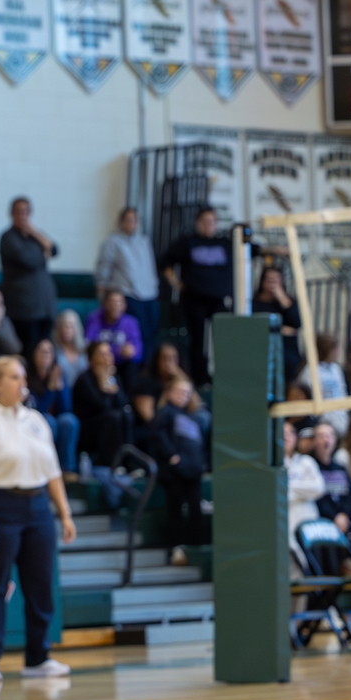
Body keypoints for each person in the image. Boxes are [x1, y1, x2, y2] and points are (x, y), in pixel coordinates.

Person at [0, 355, 77, 683]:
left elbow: (53, 472)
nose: (20, 382)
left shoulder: (37, 421)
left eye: (22, 376)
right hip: (0, 506)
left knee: (41, 585)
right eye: (13, 377)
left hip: (38, 506)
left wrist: (64, 514)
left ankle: (38, 657)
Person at [160, 207, 231, 388]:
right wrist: (175, 282)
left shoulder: (224, 243)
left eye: (212, 221)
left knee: (224, 339)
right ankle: (200, 379)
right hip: (194, 298)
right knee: (197, 341)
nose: (209, 225)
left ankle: (224, 378)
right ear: (198, 223)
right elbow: (165, 261)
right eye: (205, 221)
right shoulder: (187, 242)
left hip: (218, 299)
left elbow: (251, 249)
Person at [148, 379, 207, 554]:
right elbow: (157, 435)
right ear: (170, 392)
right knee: (175, 511)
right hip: (174, 473)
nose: (184, 396)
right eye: (180, 392)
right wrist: (172, 456)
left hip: (193, 471)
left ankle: (195, 549)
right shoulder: (164, 412)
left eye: (187, 393)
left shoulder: (193, 416)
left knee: (196, 510)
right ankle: (175, 549)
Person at [96, 207, 160, 357]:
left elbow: (150, 266)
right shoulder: (113, 242)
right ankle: (141, 368)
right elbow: (104, 266)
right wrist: (102, 287)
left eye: (135, 220)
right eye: (129, 220)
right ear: (122, 222)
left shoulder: (143, 241)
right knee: (140, 332)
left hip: (149, 293)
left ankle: (151, 368)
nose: (132, 223)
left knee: (153, 331)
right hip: (128, 293)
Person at [0, 197, 59, 353]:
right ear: (11, 214)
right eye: (18, 212)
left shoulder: (34, 235)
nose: (22, 216)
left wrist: (36, 234)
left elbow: (54, 249)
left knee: (45, 349)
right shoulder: (7, 237)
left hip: (44, 305)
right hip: (23, 308)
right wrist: (44, 251)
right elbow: (28, 260)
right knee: (29, 350)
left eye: (25, 212)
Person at [72, 340, 129, 468]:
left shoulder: (114, 377)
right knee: (112, 417)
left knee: (126, 416)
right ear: (92, 358)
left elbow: (123, 404)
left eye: (109, 353)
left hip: (108, 423)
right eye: (102, 354)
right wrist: (105, 387)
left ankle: (128, 461)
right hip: (87, 428)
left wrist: (110, 384)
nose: (107, 357)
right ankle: (112, 465)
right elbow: (102, 407)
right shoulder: (84, 379)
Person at [25, 339, 78, 472]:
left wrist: (59, 388)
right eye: (42, 351)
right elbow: (37, 410)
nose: (46, 355)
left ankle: (67, 469)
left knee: (69, 421)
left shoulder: (57, 375)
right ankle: (47, 467)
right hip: (33, 418)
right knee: (48, 421)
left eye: (49, 352)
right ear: (34, 354)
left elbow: (66, 409)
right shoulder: (26, 377)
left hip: (56, 418)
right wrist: (50, 389)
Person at [251, 266, 302, 382]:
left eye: (276, 280)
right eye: (269, 280)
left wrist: (281, 297)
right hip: (261, 346)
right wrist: (279, 329)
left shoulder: (288, 302)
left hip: (285, 350)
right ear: (262, 281)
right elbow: (253, 326)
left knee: (289, 361)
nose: (272, 284)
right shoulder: (254, 303)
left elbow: (296, 324)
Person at [283, 420, 325, 560]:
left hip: (309, 523)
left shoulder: (306, 461)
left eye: (290, 433)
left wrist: (290, 485)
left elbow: (319, 488)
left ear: (296, 438)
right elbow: (276, 493)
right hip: (285, 523)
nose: (286, 436)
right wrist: (303, 491)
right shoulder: (272, 466)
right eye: (282, 433)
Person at [311, 422, 351, 535]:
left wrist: (343, 514)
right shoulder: (310, 465)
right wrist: (334, 517)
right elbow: (316, 497)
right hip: (322, 522)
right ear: (314, 441)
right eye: (321, 436)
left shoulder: (340, 467)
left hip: (344, 521)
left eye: (330, 435)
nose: (327, 439)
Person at [83, 289, 143, 374]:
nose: (115, 306)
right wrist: (114, 351)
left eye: (119, 302)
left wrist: (131, 352)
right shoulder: (94, 319)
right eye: (112, 302)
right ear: (105, 304)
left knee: (131, 365)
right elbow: (88, 344)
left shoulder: (131, 322)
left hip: (122, 364)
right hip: (100, 363)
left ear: (124, 305)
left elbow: (138, 353)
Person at [313, 334, 350, 437]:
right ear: (327, 350)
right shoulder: (311, 371)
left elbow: (342, 392)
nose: (338, 351)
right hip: (324, 424)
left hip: (342, 420)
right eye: (335, 348)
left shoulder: (336, 369)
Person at [53, 310, 88, 387]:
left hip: (84, 390)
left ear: (77, 328)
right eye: (64, 326)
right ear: (58, 329)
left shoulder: (86, 348)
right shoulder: (53, 349)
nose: (67, 330)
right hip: (63, 389)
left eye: (70, 326)